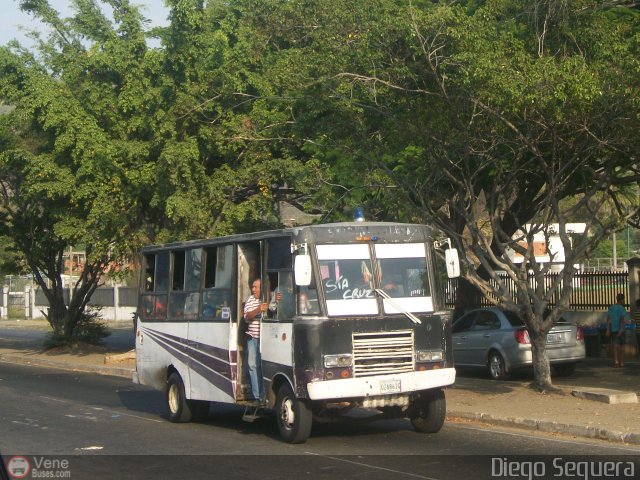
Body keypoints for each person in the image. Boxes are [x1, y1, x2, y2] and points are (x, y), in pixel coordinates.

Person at [244, 278, 267, 403]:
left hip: (266, 339)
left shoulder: (267, 297)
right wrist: (258, 309)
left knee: (264, 367)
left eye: (255, 287)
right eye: (252, 287)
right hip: (253, 338)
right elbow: (246, 316)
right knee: (253, 366)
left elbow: (274, 310)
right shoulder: (250, 300)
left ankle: (265, 395)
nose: (253, 289)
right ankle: (258, 396)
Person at [606, 293, 629, 368]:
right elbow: (622, 320)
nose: (624, 301)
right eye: (623, 300)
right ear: (622, 300)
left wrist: (608, 330)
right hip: (621, 330)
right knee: (622, 346)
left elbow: (608, 320)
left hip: (613, 329)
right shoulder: (622, 309)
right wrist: (620, 330)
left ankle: (616, 362)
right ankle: (622, 362)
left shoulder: (611, 308)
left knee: (615, 346)